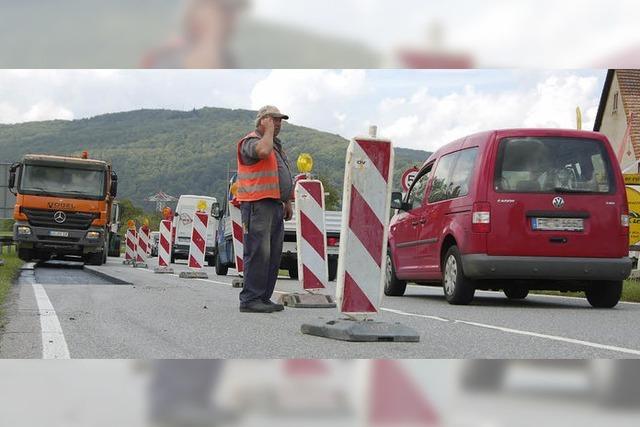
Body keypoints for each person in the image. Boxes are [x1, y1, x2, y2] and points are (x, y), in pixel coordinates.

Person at [236, 105, 293, 313]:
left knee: (272, 254)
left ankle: (263, 297)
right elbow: (262, 151)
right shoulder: (251, 141)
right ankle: (250, 298)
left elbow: (281, 173)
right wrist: (267, 132)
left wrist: (287, 201)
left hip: (274, 204)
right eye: (274, 120)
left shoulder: (276, 146)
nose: (279, 124)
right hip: (257, 204)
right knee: (259, 252)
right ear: (263, 120)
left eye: (280, 121)